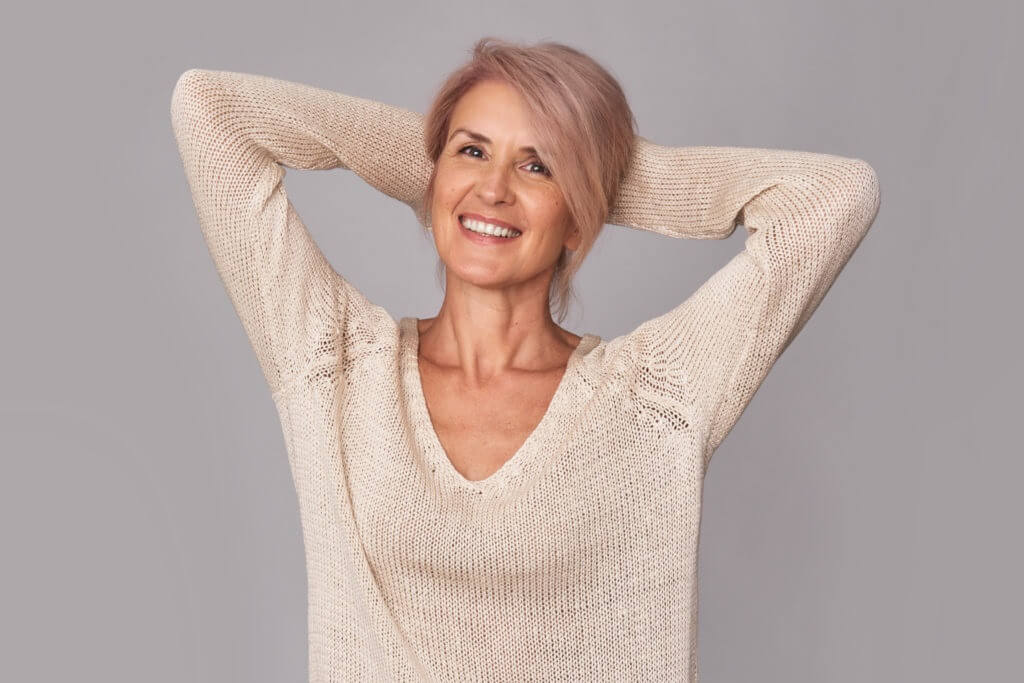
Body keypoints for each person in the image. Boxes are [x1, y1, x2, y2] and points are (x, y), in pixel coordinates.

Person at [170, 37, 880, 682]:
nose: (494, 189)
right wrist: (440, 170)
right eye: (472, 152)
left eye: (537, 166)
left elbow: (834, 196)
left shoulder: (654, 398)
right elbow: (211, 109)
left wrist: (597, 173)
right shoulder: (334, 363)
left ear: (580, 217)